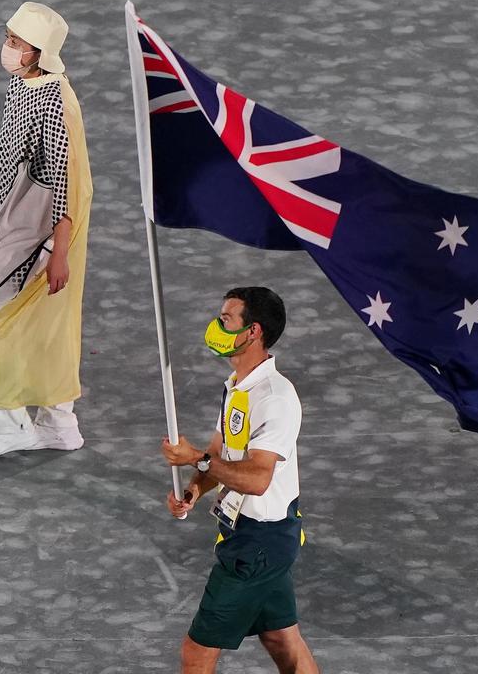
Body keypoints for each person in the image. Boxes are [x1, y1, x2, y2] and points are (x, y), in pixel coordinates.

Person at [0, 2, 92, 458]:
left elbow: (63, 177)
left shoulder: (53, 99)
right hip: (15, 210)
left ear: (38, 52)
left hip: (39, 223)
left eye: (16, 42)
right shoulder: (25, 84)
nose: (7, 48)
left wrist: (59, 250)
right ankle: (59, 423)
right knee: (44, 321)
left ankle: (11, 423)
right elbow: (11, 153)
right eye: (8, 38)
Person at [161, 287, 319, 674]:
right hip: (259, 538)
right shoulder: (237, 387)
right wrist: (193, 489)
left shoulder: (275, 397)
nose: (216, 325)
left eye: (226, 319)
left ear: (253, 332)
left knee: (196, 652)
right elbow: (219, 457)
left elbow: (257, 479)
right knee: (282, 639)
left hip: (257, 544)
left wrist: (195, 459)